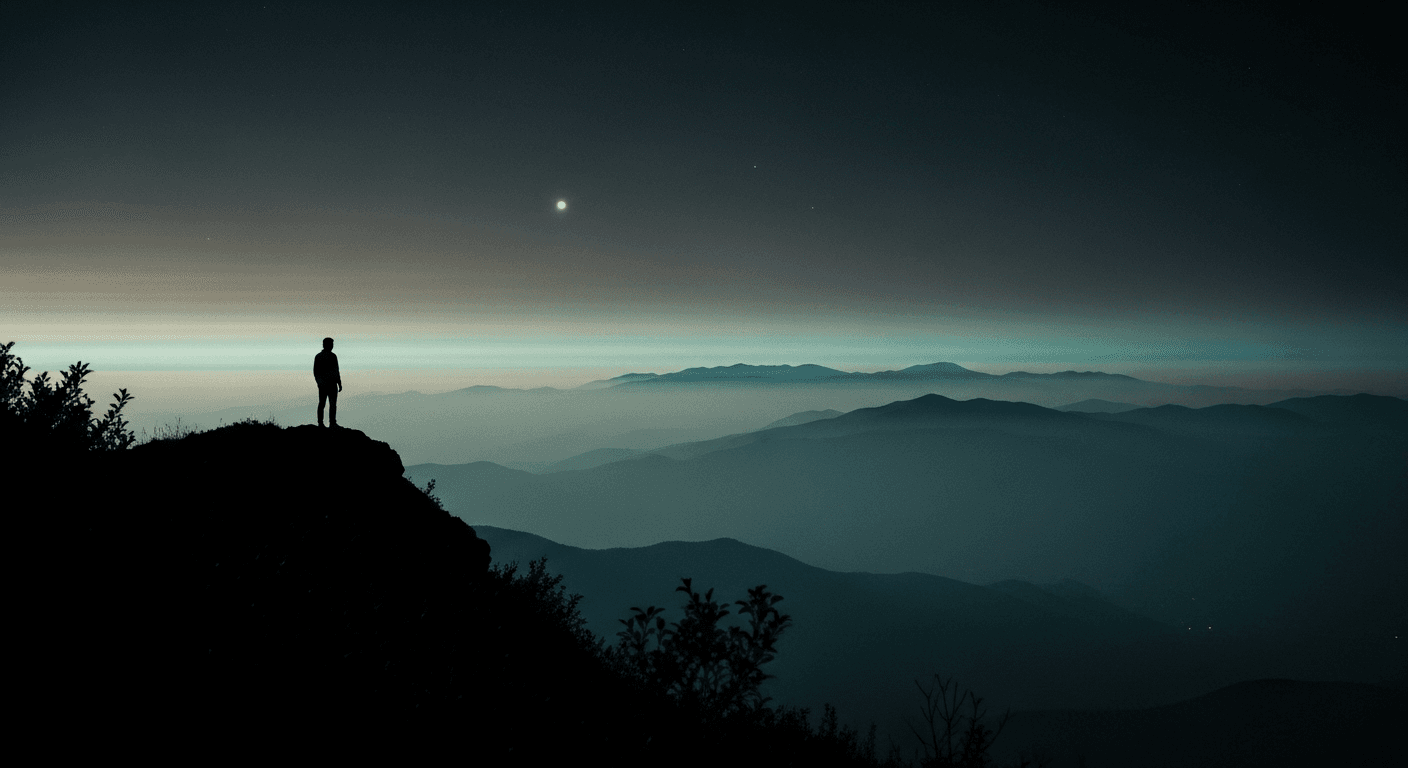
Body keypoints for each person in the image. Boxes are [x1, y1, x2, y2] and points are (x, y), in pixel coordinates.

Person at [314, 337, 342, 427]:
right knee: (332, 403)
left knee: (322, 403)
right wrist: (339, 383)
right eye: (331, 344)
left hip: (324, 384)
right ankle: (332, 423)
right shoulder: (332, 356)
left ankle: (321, 423)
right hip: (331, 384)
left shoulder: (318, 356)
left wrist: (319, 382)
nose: (332, 346)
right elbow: (336, 371)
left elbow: (316, 372)